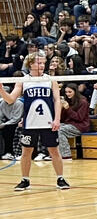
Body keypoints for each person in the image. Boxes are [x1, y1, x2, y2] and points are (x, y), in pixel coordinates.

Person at [4, 54, 69, 191]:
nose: (42, 65)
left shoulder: (50, 80)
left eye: (43, 63)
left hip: (48, 122)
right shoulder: (23, 80)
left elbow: (57, 100)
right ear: (30, 64)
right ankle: (25, 180)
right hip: (30, 123)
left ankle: (60, 178)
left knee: (54, 151)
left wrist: (57, 119)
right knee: (26, 152)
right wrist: (1, 91)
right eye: (38, 63)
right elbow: (10, 100)